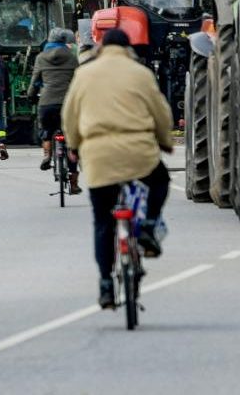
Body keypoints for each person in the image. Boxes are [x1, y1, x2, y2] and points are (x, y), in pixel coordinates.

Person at [62, 28, 174, 309]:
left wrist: (73, 146)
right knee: (160, 180)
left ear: (101, 48)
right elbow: (161, 113)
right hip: (139, 152)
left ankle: (105, 284)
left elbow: (70, 116)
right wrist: (165, 141)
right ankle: (148, 225)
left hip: (98, 156)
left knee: (103, 222)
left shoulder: (84, 74)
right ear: (128, 49)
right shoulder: (141, 74)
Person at [27, 27, 80, 191]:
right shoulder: (72, 58)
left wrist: (31, 95)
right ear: (64, 41)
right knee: (71, 139)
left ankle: (47, 155)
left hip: (47, 103)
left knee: (47, 131)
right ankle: (74, 182)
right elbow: (78, 79)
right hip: (67, 104)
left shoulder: (41, 58)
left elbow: (35, 81)